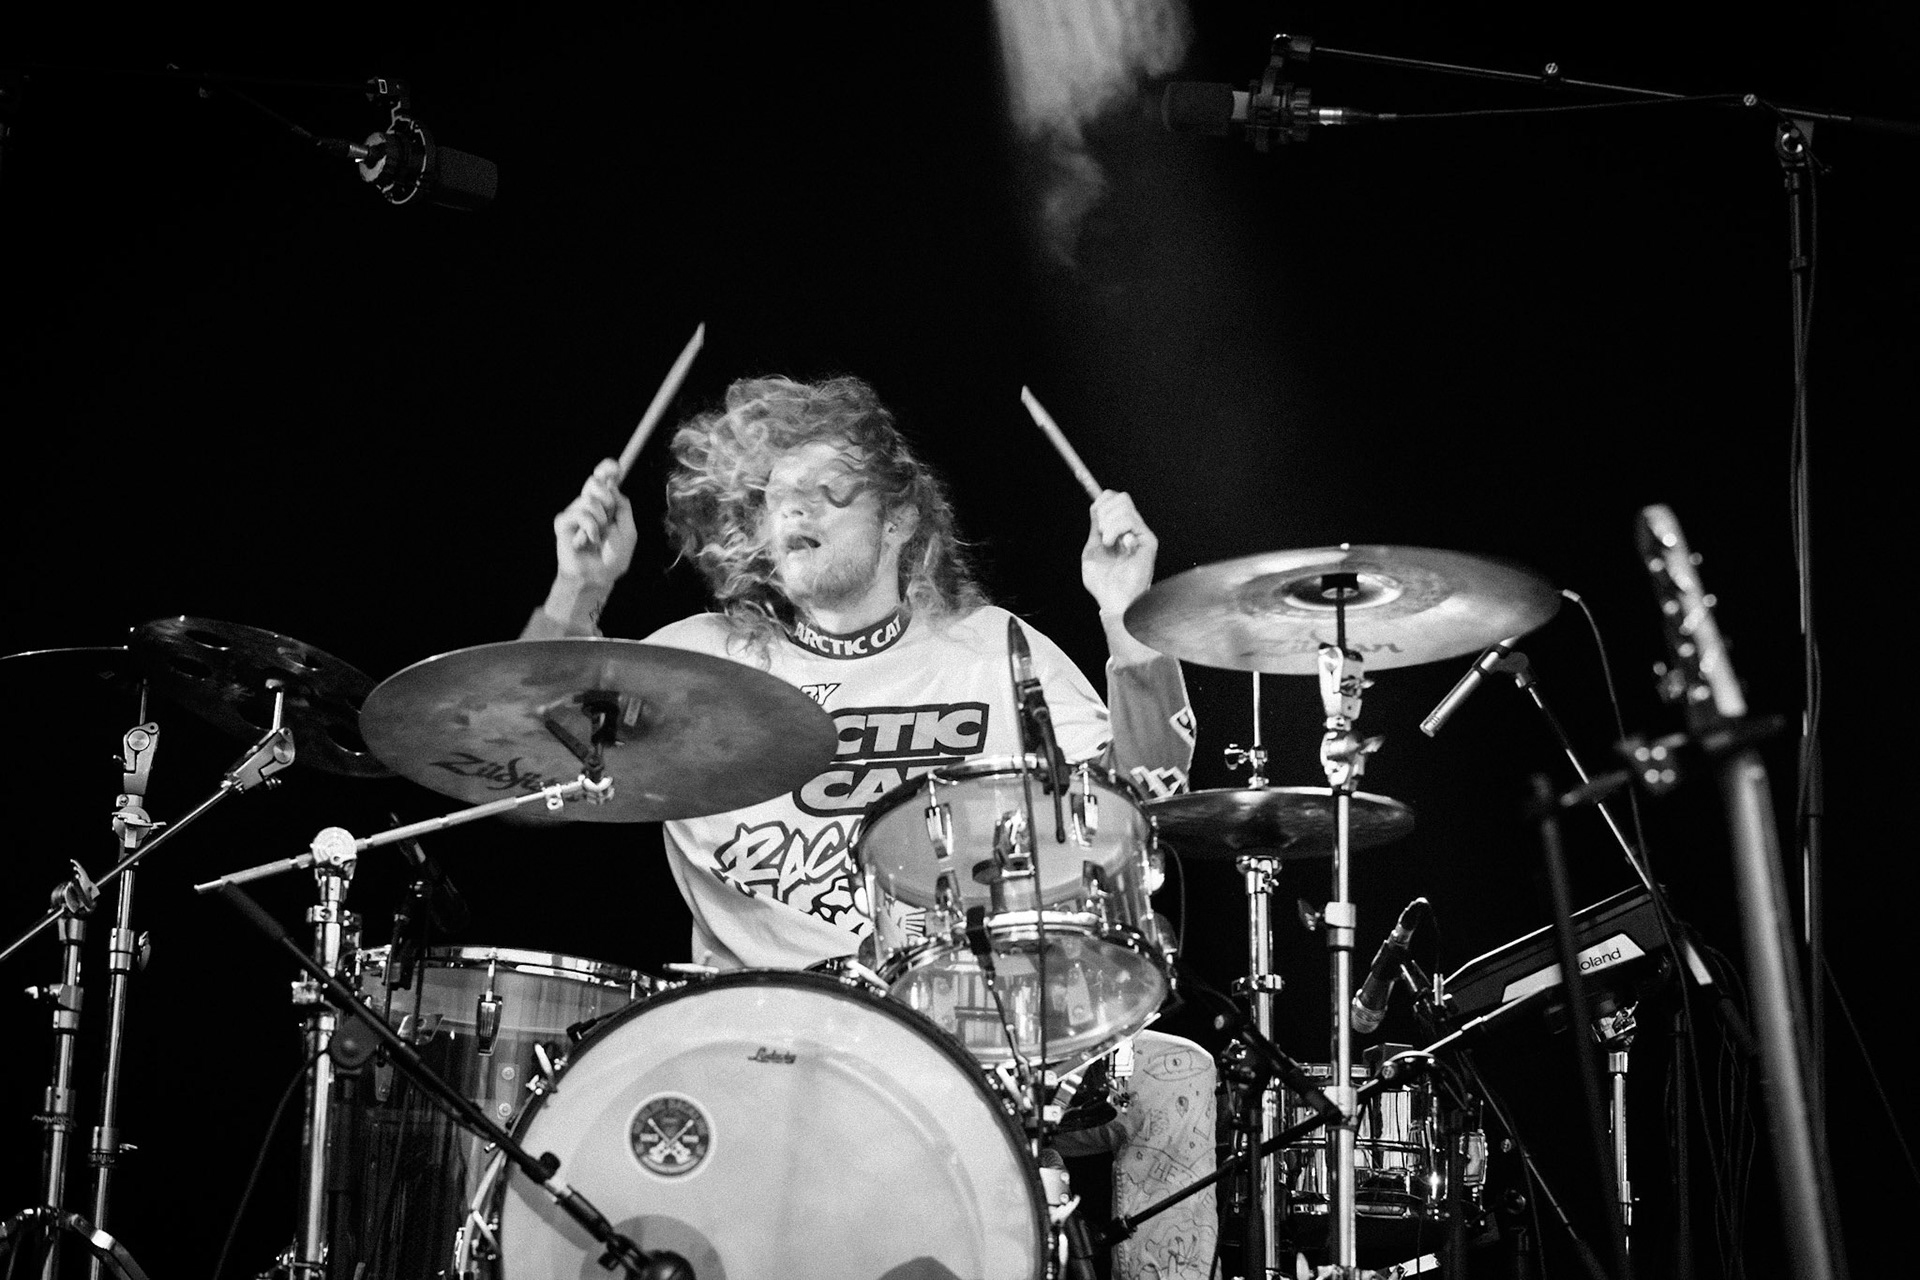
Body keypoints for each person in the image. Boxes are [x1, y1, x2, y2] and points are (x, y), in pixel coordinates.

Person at [525, 374, 1215, 1280]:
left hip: (958, 1027)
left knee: (1176, 1079)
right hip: (752, 1028)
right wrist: (578, 592)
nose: (792, 512)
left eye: (826, 492)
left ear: (898, 522)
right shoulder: (697, 663)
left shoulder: (993, 651)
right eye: (776, 498)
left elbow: (1152, 790)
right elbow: (529, 776)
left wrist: (1125, 611)